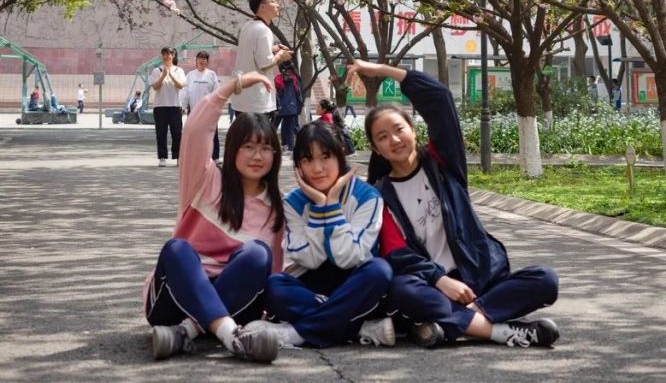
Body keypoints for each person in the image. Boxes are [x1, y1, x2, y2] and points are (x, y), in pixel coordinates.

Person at [349, 60, 560, 350]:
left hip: (479, 279)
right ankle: (500, 331)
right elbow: (397, 254)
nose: (394, 140)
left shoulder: (443, 164)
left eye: (399, 130)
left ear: (413, 129)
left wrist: (384, 71)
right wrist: (439, 280)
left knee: (545, 279)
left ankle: (451, 324)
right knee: (400, 290)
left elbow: (439, 99)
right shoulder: (379, 196)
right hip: (432, 288)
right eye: (382, 137)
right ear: (375, 148)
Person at [145, 70, 283, 364]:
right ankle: (233, 339)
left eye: (265, 148)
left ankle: (187, 333)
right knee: (177, 249)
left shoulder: (275, 208)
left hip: (236, 303)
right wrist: (234, 86)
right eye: (248, 146)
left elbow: (276, 273)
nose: (257, 156)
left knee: (258, 254)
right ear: (233, 149)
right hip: (174, 301)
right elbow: (195, 131)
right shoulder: (205, 178)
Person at [262, 121, 394, 348]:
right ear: (298, 166)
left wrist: (331, 205)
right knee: (275, 286)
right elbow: (310, 260)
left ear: (340, 156)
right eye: (307, 160)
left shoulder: (368, 197)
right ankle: (356, 327)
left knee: (379, 271)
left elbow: (348, 257)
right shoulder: (293, 203)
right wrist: (319, 205)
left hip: (356, 282)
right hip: (317, 285)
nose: (317, 168)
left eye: (325, 157)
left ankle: (296, 334)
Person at [231, 0, 293, 118]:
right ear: (262, 7)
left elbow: (252, 53)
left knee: (244, 138)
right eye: (273, 1)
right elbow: (265, 63)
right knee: (258, 138)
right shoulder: (264, 30)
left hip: (242, 98)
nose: (277, 5)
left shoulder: (247, 26)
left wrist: (272, 49)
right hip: (257, 100)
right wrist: (281, 55)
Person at [150, 47, 186, 167]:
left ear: (173, 55)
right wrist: (163, 75)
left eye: (169, 54)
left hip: (175, 106)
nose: (166, 57)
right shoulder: (156, 70)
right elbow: (155, 86)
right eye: (164, 54)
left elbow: (181, 85)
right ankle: (162, 157)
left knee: (177, 133)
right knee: (161, 132)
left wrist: (170, 75)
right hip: (160, 107)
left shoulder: (179, 70)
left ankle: (178, 157)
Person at [182, 50, 220, 159]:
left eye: (204, 59)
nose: (202, 61)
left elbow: (216, 92)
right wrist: (184, 106)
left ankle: (215, 157)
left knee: (212, 134)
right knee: (194, 135)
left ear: (207, 61)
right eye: (200, 58)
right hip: (194, 110)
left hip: (209, 111)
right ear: (196, 60)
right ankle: (194, 157)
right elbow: (185, 92)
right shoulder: (190, 75)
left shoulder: (211, 74)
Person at [274, 61, 303, 152]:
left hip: (280, 107)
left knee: (272, 127)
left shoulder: (278, 78)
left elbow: (277, 90)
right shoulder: (296, 79)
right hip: (292, 108)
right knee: (289, 128)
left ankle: (269, 144)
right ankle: (290, 147)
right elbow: (298, 94)